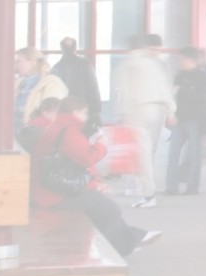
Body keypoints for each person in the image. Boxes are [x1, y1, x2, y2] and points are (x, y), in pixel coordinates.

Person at [23, 97, 159, 256]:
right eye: (85, 113)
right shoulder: (68, 131)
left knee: (102, 205)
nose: (86, 117)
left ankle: (127, 242)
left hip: (50, 188)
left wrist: (95, 182)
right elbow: (87, 158)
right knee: (110, 211)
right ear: (76, 112)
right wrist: (102, 144)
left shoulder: (59, 126)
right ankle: (104, 248)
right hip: (55, 193)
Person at [115, 35, 173, 209]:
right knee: (150, 151)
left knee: (140, 153)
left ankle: (147, 192)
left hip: (137, 111)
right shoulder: (155, 64)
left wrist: (122, 114)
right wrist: (171, 111)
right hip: (157, 110)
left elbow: (123, 91)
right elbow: (165, 89)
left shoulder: (128, 64)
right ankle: (145, 187)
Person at [167, 48, 206, 195]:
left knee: (194, 155)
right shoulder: (179, 76)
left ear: (191, 60)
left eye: (182, 60)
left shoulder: (203, 77)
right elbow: (173, 96)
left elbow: (205, 99)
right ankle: (171, 187)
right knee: (173, 154)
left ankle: (192, 187)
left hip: (195, 120)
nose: (180, 63)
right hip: (178, 118)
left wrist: (185, 90)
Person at [53, 38, 101, 135]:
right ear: (76, 48)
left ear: (61, 49)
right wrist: (96, 111)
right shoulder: (85, 64)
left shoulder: (56, 68)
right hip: (85, 112)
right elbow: (93, 88)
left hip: (65, 114)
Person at [16, 48, 66, 126]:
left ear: (32, 62)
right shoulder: (17, 84)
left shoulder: (51, 84)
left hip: (35, 135)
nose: (15, 65)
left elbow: (52, 115)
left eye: (19, 61)